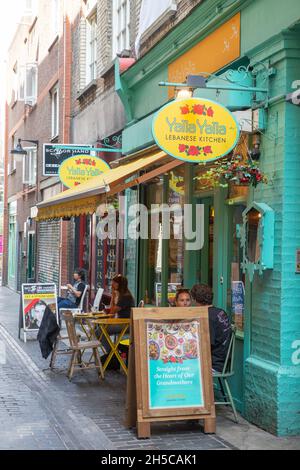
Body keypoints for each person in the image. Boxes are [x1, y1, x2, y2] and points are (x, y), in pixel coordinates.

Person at [191, 284, 231, 372]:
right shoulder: (220, 312)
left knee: (182, 367)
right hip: (223, 362)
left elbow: (206, 345)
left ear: (195, 299)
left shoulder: (207, 317)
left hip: (214, 364)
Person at [100, 274, 135, 367]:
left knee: (100, 331)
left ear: (120, 284)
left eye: (114, 283)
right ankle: (112, 353)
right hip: (122, 322)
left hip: (126, 324)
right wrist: (113, 295)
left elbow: (112, 311)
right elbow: (113, 311)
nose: (112, 284)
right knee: (99, 330)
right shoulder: (123, 295)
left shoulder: (125, 297)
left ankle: (112, 354)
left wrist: (113, 295)